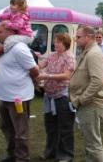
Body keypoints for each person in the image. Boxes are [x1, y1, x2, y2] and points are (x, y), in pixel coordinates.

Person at [0, 21, 39, 162]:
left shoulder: (19, 48)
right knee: (5, 126)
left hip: (18, 97)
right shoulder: (5, 48)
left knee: (20, 131)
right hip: (4, 96)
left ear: (10, 32)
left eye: (0, 32)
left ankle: (22, 158)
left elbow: (35, 70)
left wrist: (27, 83)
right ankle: (12, 154)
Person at [69, 26, 103, 162]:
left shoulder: (93, 53)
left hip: (90, 104)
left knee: (93, 144)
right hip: (88, 104)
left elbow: (98, 81)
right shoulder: (88, 52)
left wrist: (81, 99)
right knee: (90, 142)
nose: (76, 40)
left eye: (78, 37)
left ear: (88, 37)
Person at [36, 33, 75, 162]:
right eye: (55, 42)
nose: (56, 44)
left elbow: (67, 76)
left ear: (65, 44)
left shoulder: (69, 57)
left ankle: (66, 155)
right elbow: (41, 65)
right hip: (49, 96)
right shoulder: (52, 55)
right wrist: (34, 66)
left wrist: (47, 76)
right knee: (50, 126)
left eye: (58, 42)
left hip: (62, 96)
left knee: (65, 127)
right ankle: (50, 151)